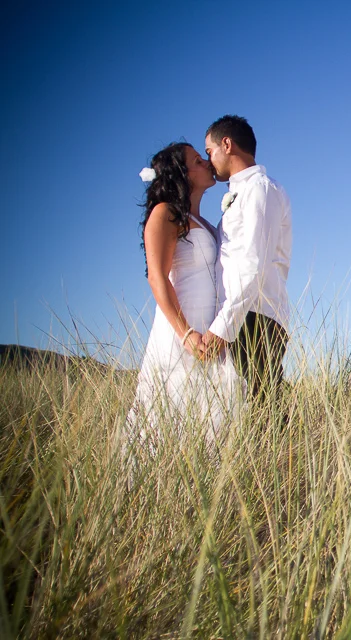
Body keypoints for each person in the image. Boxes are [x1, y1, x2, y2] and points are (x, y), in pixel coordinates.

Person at [126, 142, 242, 449]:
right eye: (197, 160)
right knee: (169, 418)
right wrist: (186, 333)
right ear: (181, 173)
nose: (206, 163)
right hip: (181, 333)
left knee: (213, 422)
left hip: (212, 334)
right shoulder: (165, 213)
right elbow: (157, 277)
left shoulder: (206, 224)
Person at [199, 115, 292, 413]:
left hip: (254, 316)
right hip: (242, 314)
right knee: (249, 411)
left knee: (264, 412)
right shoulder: (243, 191)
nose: (208, 160)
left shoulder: (260, 189)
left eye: (209, 151)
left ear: (227, 144)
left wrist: (223, 327)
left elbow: (254, 264)